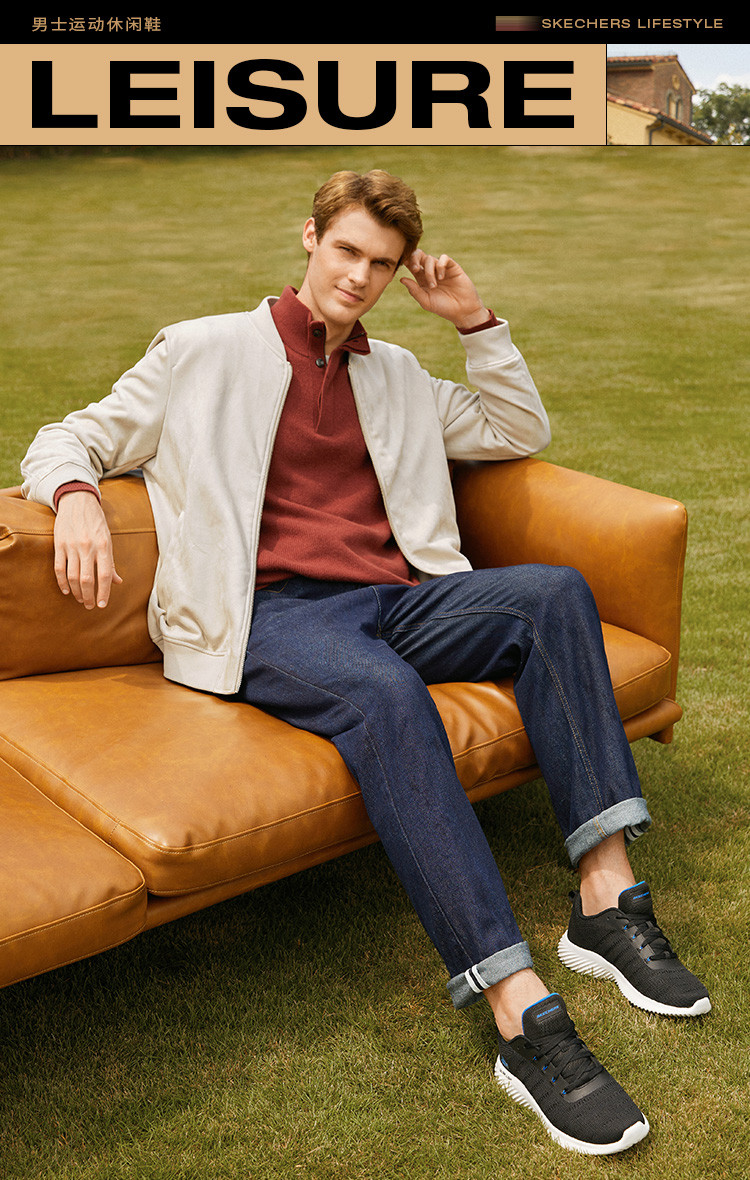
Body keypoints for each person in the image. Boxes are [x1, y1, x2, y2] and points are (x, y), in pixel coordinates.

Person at [20, 168, 709, 1156]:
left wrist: (474, 322)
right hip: (268, 618)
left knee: (555, 592)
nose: (358, 276)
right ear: (309, 238)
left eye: (380, 264)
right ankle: (519, 1011)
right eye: (345, 250)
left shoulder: (397, 377)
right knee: (387, 697)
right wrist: (79, 497)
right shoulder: (201, 350)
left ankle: (605, 899)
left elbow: (518, 429)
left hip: (396, 599)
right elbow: (69, 436)